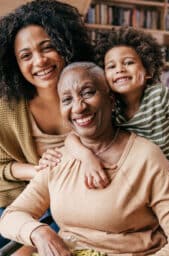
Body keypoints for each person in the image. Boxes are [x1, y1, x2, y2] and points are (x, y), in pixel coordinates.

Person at [0, 62, 169, 256]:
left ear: (110, 99)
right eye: (67, 99)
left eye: (88, 93)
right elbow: (11, 216)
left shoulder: (146, 157)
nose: (79, 107)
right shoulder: (58, 158)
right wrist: (38, 232)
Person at [66, 27, 169, 202]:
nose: (120, 69)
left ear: (148, 71)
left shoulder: (160, 96)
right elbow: (71, 137)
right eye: (111, 66)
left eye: (128, 62)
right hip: (130, 187)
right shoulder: (107, 106)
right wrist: (87, 157)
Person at [0, 0, 94, 248]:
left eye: (48, 47)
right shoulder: (5, 109)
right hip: (18, 198)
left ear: (67, 46)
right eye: (26, 56)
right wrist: (36, 171)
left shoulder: (96, 95)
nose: (39, 61)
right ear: (15, 65)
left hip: (81, 200)